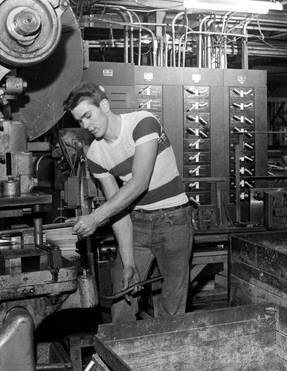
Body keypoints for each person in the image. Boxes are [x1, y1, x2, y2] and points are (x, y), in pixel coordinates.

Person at [62, 81, 193, 322]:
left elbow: (140, 181)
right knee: (123, 299)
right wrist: (129, 261)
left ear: (104, 105)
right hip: (137, 223)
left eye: (88, 116)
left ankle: (167, 356)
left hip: (174, 220)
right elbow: (119, 210)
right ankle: (120, 356)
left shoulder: (143, 123)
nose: (86, 125)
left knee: (173, 306)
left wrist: (95, 216)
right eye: (80, 122)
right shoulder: (95, 155)